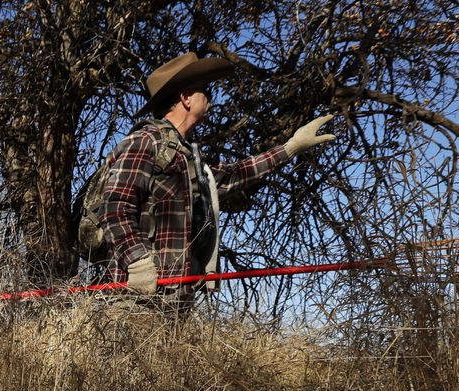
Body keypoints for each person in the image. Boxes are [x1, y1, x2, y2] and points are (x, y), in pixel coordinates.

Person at [95, 52, 335, 304]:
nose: (210, 97)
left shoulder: (188, 157)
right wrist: (137, 262)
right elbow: (115, 208)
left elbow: (234, 174)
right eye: (204, 90)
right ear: (186, 98)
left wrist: (290, 147)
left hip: (177, 300)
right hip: (136, 299)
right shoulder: (145, 141)